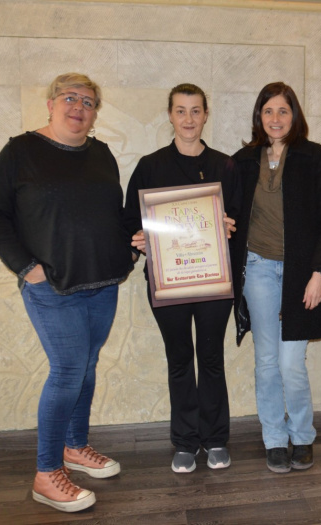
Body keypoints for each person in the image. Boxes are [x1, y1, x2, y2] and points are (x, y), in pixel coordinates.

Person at [0, 73, 135, 512]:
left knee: (86, 367)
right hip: (51, 287)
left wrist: (136, 240)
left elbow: (115, 215)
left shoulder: (102, 154)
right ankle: (47, 473)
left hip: (103, 283)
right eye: (70, 98)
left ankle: (74, 447)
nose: (78, 107)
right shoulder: (20, 151)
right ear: (50, 103)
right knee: (68, 371)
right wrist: (27, 269)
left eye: (88, 102)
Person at [125, 83, 241, 474]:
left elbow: (241, 220)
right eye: (180, 111)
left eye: (195, 111)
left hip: (213, 283)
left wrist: (228, 226)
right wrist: (138, 239)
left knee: (210, 359)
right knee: (179, 360)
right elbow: (130, 222)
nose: (188, 119)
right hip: (168, 282)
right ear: (170, 115)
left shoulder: (226, 166)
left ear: (206, 115)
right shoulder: (150, 165)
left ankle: (216, 439)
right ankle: (186, 443)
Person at [232, 82, 321, 474]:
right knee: (266, 361)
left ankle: (303, 435)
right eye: (268, 111)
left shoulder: (315, 157)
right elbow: (225, 210)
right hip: (258, 270)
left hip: (302, 274)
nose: (275, 119)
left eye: (283, 110)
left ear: (294, 115)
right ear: (258, 117)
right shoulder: (243, 160)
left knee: (292, 363)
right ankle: (275, 439)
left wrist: (319, 273)